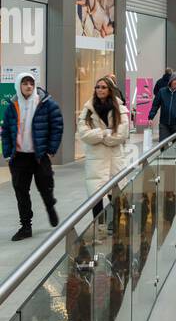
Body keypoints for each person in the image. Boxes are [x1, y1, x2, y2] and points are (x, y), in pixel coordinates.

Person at [2, 70, 62, 240]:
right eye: (25, 83)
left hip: (40, 156)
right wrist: (7, 153)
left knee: (45, 186)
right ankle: (26, 226)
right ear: (18, 86)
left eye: (31, 83)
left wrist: (50, 149)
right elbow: (5, 131)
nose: (28, 86)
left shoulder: (46, 103)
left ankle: (50, 205)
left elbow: (57, 126)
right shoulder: (12, 106)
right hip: (19, 157)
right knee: (21, 192)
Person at [76, 76, 131, 222]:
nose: (100, 90)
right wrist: (105, 132)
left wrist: (101, 137)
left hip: (114, 158)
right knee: (96, 196)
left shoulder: (120, 109)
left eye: (103, 87)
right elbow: (84, 134)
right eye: (97, 87)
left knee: (116, 194)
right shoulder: (88, 110)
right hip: (96, 159)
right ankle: (99, 226)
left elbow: (122, 134)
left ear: (110, 90)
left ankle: (117, 224)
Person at [147, 72, 176, 142]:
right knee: (163, 144)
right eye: (175, 80)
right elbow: (155, 105)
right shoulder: (162, 91)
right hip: (164, 124)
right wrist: (150, 117)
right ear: (171, 81)